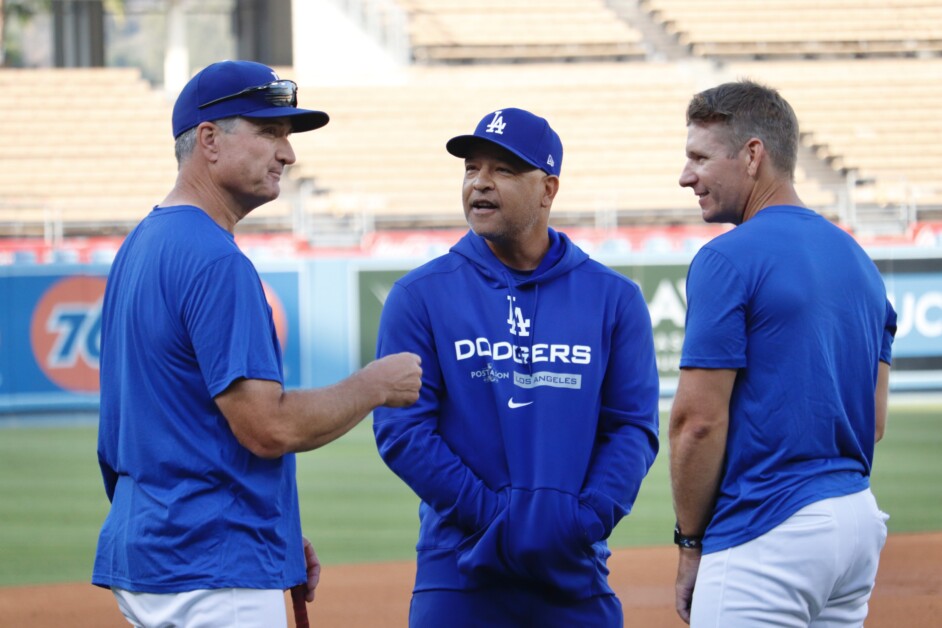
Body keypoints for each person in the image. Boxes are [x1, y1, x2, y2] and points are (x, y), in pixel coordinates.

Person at [92, 60, 422, 627]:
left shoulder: (143, 244)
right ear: (210, 140)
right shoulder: (215, 260)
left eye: (286, 137)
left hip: (153, 557)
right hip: (213, 570)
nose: (288, 154)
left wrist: (271, 529)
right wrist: (374, 385)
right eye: (269, 132)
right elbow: (269, 427)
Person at [372, 107, 661, 627]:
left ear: (548, 189)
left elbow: (632, 429)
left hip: (572, 571)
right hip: (459, 575)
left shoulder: (615, 299)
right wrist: (495, 519)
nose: (480, 183)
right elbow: (402, 432)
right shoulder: (419, 296)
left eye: (503, 170)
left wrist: (582, 520)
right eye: (471, 168)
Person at [670, 79, 897, 627]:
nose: (685, 176)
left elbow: (697, 424)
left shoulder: (727, 259)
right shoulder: (861, 262)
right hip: (855, 525)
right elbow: (876, 421)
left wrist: (690, 544)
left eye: (700, 157)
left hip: (766, 530)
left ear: (752, 156)